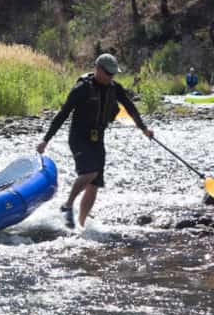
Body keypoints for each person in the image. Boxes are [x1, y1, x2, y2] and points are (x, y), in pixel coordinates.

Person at [36, 53, 153, 229]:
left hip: (97, 138)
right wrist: (46, 140)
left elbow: (130, 107)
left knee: (95, 183)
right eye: (108, 73)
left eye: (113, 74)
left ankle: (81, 226)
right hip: (78, 137)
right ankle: (67, 206)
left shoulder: (115, 88)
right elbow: (63, 114)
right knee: (90, 172)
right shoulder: (82, 88)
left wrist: (143, 128)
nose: (111, 77)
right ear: (98, 69)